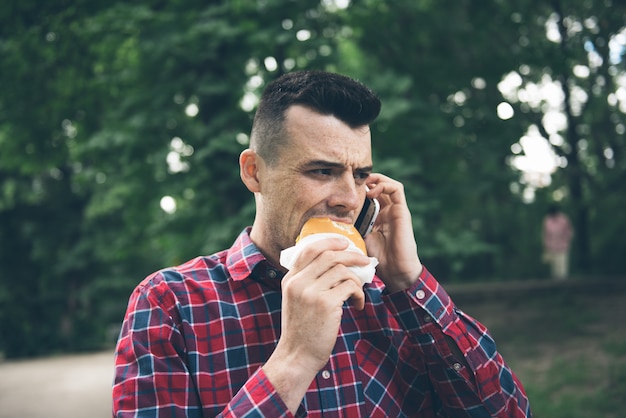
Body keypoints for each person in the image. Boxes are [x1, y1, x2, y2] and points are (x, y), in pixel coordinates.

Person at [113, 70, 531, 417]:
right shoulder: (170, 304)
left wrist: (410, 281)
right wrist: (293, 360)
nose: (348, 198)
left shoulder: (395, 300)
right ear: (254, 172)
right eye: (321, 171)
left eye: (361, 175)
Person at [542, 204, 573, 280]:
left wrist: (565, 241)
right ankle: (556, 287)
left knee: (562, 268)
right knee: (554, 270)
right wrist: (547, 247)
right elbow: (546, 235)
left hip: (562, 247)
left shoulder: (563, 219)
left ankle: (563, 286)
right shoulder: (547, 220)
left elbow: (569, 232)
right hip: (552, 248)